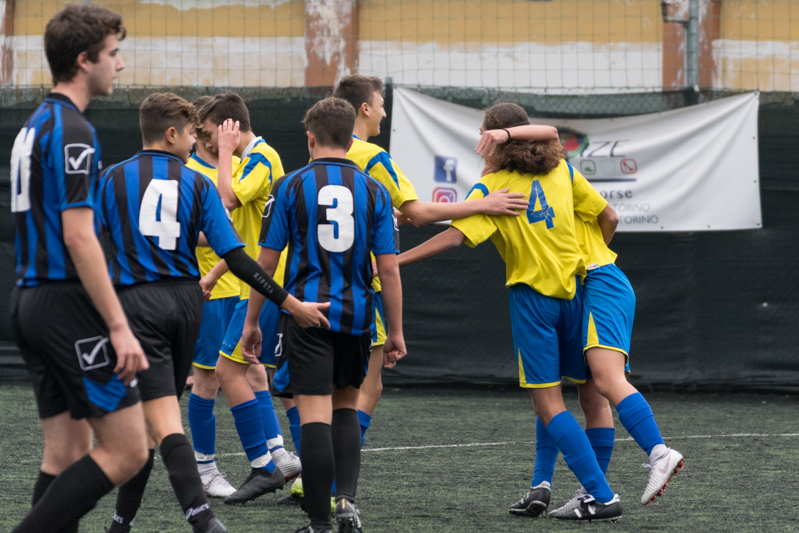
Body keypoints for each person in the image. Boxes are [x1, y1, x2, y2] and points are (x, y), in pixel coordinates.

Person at [96, 92, 330, 533]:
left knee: (145, 425)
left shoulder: (111, 179)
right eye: (192, 134)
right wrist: (289, 302)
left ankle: (202, 511)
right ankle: (133, 521)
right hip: (186, 305)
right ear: (171, 134)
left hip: (136, 306)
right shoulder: (196, 184)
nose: (196, 142)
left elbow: (87, 243)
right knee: (164, 415)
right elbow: (236, 254)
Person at [397, 102, 623, 522]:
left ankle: (601, 495)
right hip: (578, 293)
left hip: (533, 301)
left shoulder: (493, 186)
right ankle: (544, 484)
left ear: (494, 139)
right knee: (585, 397)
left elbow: (453, 238)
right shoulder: (562, 170)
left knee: (548, 401)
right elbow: (608, 217)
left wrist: (393, 262)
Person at [9, 6, 151, 533]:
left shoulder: (36, 124)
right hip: (64, 304)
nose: (120, 63)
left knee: (66, 455)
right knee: (129, 450)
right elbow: (79, 235)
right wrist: (118, 326)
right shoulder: (74, 130)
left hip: (30, 302)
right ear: (83, 60)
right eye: (113, 53)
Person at [240, 96, 406, 533]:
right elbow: (389, 269)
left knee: (314, 413)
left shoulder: (289, 186)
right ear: (350, 141)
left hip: (306, 316)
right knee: (347, 407)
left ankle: (319, 522)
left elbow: (266, 262)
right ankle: (345, 501)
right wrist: (396, 331)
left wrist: (253, 321)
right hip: (358, 316)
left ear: (310, 138)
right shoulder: (376, 192)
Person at [511, 175, 684, 518]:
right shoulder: (550, 185)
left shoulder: (557, 177)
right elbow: (609, 217)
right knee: (572, 394)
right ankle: (573, 490)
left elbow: (611, 216)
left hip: (596, 281)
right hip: (577, 289)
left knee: (602, 384)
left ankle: (658, 452)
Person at [197, 93, 300, 504]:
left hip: (265, 285)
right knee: (265, 376)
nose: (208, 140)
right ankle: (286, 462)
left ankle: (264, 466)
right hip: (254, 284)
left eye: (211, 132)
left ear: (230, 127)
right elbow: (244, 238)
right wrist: (215, 273)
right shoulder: (251, 161)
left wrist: (224, 152)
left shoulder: (261, 157)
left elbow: (227, 200)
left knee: (227, 371)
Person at [184, 95, 244, 497]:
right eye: (206, 128)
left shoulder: (238, 167)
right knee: (206, 379)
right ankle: (204, 469)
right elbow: (187, 230)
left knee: (253, 373)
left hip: (243, 289)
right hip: (211, 291)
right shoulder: (189, 174)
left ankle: (273, 456)